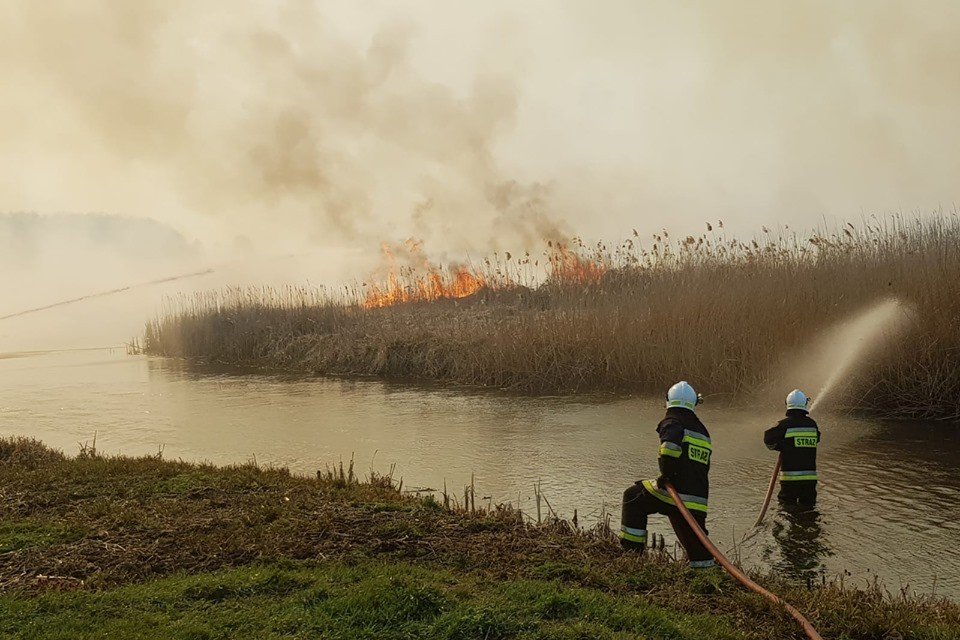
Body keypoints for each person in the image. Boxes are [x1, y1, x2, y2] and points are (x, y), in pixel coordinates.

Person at [620, 381, 715, 569]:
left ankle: (631, 555)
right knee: (695, 539)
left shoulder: (673, 421)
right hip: (698, 497)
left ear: (668, 400)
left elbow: (669, 449)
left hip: (675, 492)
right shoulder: (702, 430)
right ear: (694, 403)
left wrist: (666, 475)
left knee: (633, 496)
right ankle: (704, 568)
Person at [764, 389, 821, 506]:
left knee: (787, 509)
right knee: (809, 509)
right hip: (810, 481)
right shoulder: (812, 424)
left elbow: (768, 439)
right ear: (805, 404)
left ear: (787, 404)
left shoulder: (784, 425)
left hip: (790, 480)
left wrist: (782, 446)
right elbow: (817, 438)